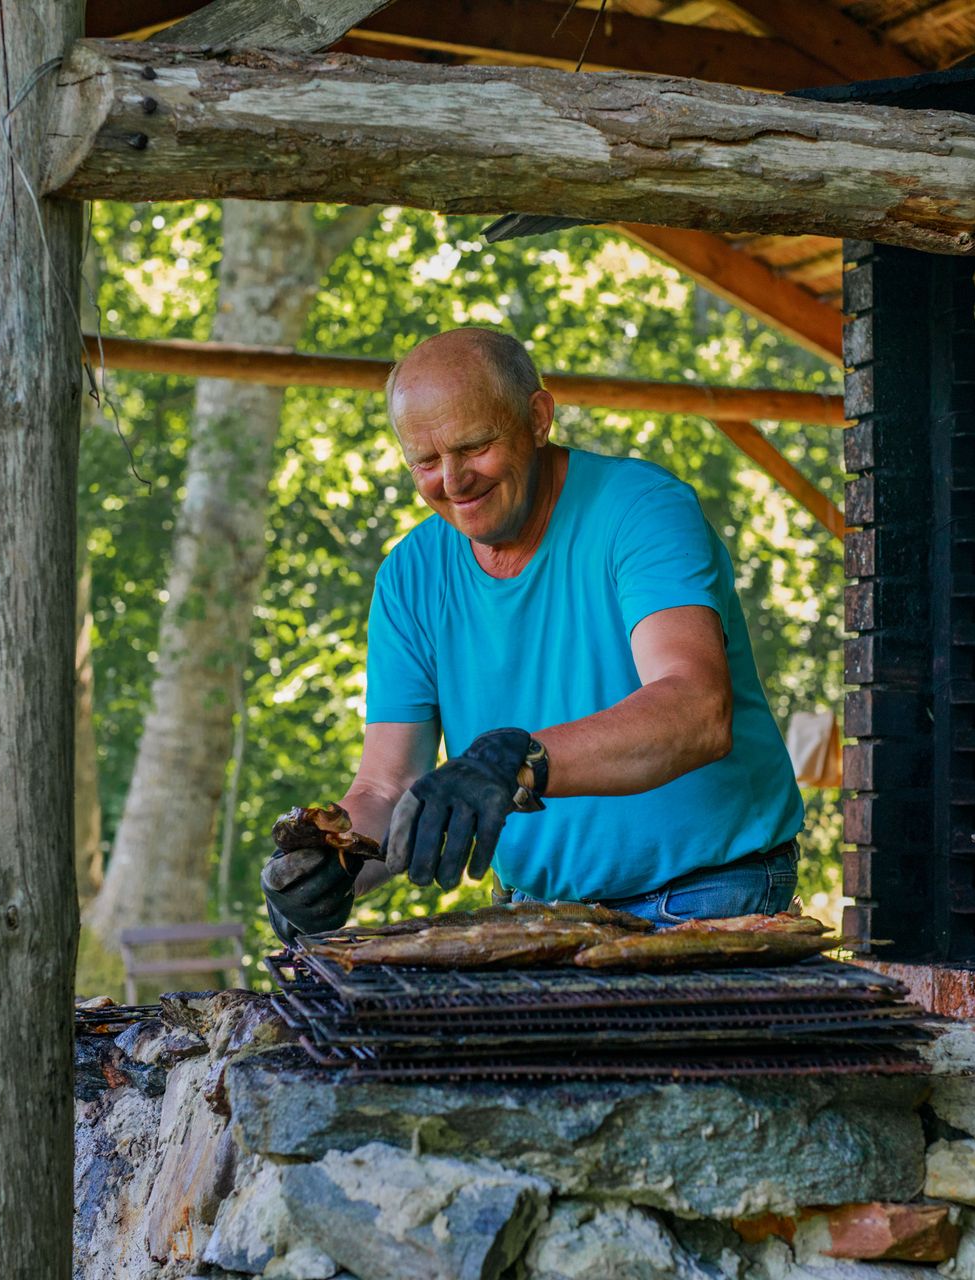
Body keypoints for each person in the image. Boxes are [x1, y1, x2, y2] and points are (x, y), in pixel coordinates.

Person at [262, 328, 806, 942]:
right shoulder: (409, 576)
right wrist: (331, 869)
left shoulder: (642, 509)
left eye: (475, 447)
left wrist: (515, 762)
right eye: (424, 461)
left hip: (709, 892)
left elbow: (696, 709)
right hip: (534, 910)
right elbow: (389, 785)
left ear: (538, 418)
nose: (453, 480)